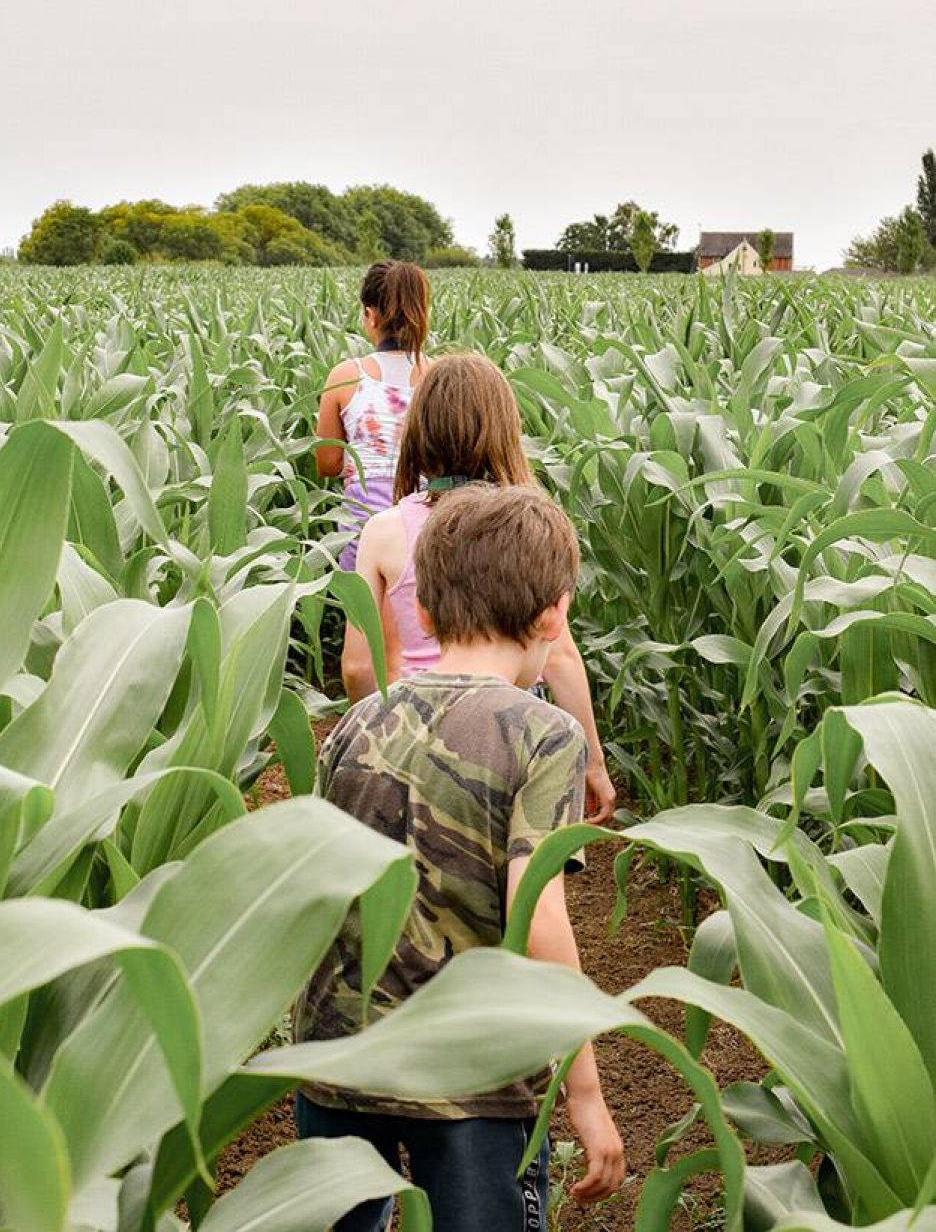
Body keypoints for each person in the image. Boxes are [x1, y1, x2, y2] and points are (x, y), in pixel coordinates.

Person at [294, 485, 626, 1232]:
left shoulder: (356, 722)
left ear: (428, 613)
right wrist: (584, 1089)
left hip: (338, 1059)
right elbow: (536, 911)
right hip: (472, 1076)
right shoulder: (542, 734)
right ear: (553, 614)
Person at [341, 352, 617, 823]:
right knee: (523, 873)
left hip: (416, 733)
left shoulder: (386, 530)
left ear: (419, 432)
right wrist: (592, 761)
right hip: (512, 735)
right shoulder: (528, 526)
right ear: (504, 432)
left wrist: (386, 732)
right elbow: (562, 657)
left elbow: (357, 666)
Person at [315, 260, 430, 571]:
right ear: (423, 312)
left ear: (369, 314)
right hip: (428, 530)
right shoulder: (441, 377)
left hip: (363, 528)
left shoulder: (346, 376)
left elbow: (327, 463)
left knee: (363, 614)